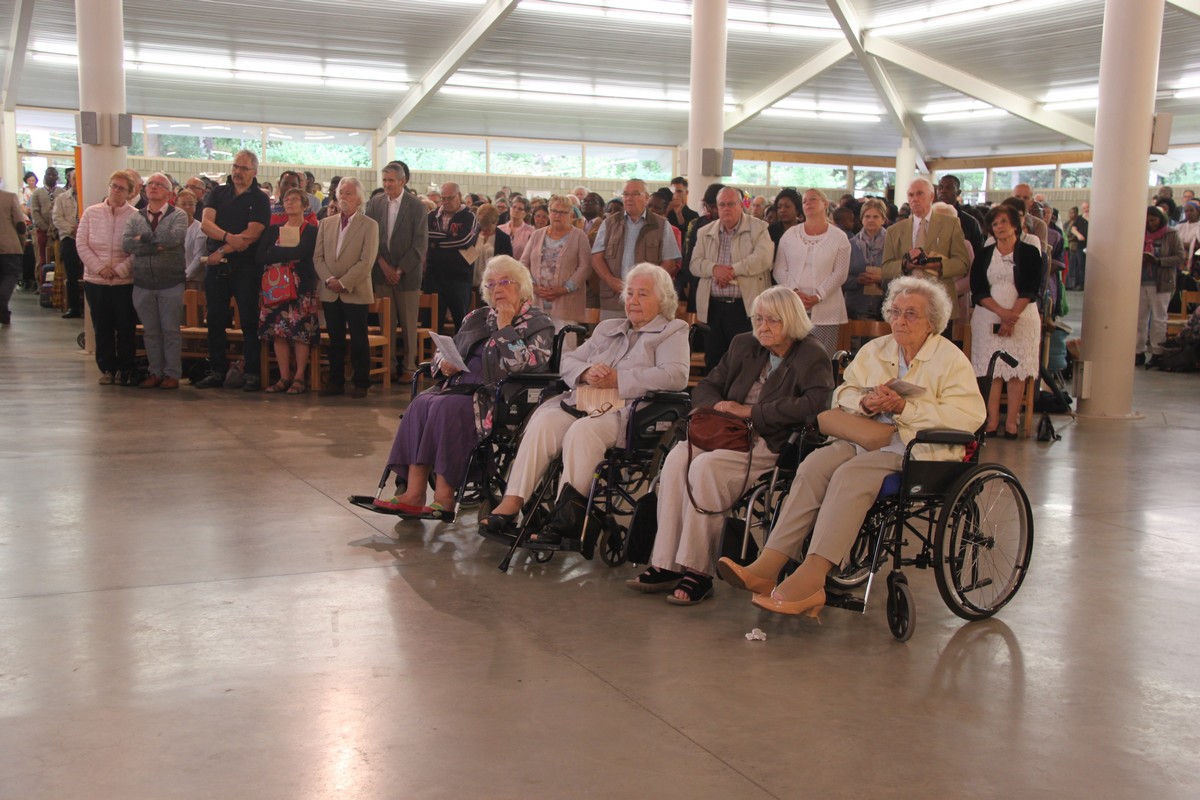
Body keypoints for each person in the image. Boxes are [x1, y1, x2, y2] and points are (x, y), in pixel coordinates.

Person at [717, 277, 985, 618]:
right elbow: (842, 392)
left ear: (932, 321)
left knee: (851, 475)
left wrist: (906, 408)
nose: (900, 320)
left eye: (911, 314)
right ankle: (769, 563)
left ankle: (813, 578)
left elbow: (968, 416)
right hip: (866, 435)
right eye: (895, 312)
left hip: (917, 448)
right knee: (814, 466)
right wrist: (866, 402)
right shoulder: (877, 349)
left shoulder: (950, 360)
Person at [627, 287, 834, 604]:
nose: (763, 327)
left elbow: (815, 406)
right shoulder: (744, 344)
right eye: (758, 319)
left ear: (792, 320)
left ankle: (698, 569)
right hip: (723, 430)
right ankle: (666, 563)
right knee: (677, 459)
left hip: (768, 440)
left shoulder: (811, 354)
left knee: (705, 468)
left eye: (772, 320)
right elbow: (707, 385)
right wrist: (719, 406)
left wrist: (752, 412)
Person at [480, 263, 689, 544]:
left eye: (643, 294)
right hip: (583, 402)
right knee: (544, 421)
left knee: (583, 431)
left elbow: (676, 376)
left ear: (663, 300)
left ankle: (567, 518)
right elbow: (568, 360)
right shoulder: (608, 328)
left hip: (627, 413)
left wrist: (619, 379)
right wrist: (586, 372)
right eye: (630, 293)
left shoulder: (672, 331)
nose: (633, 300)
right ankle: (512, 501)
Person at [374, 256, 554, 517]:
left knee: (445, 408)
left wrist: (505, 328)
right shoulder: (477, 317)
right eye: (491, 284)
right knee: (420, 404)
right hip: (457, 387)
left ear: (522, 286)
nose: (497, 289)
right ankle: (414, 492)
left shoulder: (539, 323)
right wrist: (444, 363)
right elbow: (447, 348)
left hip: (497, 396)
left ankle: (444, 497)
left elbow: (523, 366)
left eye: (505, 282)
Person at [195, 150, 270, 390]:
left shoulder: (260, 198)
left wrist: (222, 250)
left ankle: (251, 373)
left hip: (245, 268)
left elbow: (253, 233)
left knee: (249, 321)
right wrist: (228, 238)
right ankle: (217, 371)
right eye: (235, 166)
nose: (237, 172)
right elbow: (206, 224)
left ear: (254, 172)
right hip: (216, 268)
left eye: (244, 168)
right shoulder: (218, 192)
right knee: (215, 319)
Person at [970, 204, 1042, 437]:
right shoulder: (984, 254)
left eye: (1003, 222)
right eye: (995, 223)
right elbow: (978, 289)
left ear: (1014, 225)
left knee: (1015, 369)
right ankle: (991, 420)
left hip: (1022, 317)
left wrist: (1011, 318)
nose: (999, 226)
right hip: (989, 315)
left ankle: (1012, 421)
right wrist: (1002, 313)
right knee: (993, 370)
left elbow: (1031, 287)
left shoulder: (1030, 252)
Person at [691, 186, 774, 370]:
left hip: (745, 308)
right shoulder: (704, 232)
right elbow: (694, 264)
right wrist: (715, 269)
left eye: (731, 204)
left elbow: (763, 259)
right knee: (714, 362)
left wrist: (732, 271)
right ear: (716, 208)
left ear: (741, 205)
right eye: (722, 205)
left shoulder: (759, 228)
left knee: (746, 362)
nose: (726, 208)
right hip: (713, 308)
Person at [314, 177, 379, 398]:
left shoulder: (369, 225)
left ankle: (361, 382)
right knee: (335, 340)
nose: (343, 196)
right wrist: (329, 280)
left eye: (349, 193)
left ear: (359, 199)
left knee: (359, 339)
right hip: (330, 291)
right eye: (341, 192)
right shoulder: (326, 223)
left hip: (355, 291)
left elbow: (366, 261)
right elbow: (318, 257)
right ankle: (336, 382)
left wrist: (343, 282)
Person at [123, 172, 189, 390]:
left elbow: (174, 238)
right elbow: (127, 244)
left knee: (170, 330)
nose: (153, 187)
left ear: (169, 193)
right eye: (150, 183)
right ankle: (155, 372)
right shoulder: (135, 217)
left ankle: (172, 374)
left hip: (170, 282)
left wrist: (142, 238)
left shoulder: (178, 215)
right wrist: (154, 246)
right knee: (150, 332)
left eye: (159, 184)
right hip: (142, 282)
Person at [366, 161, 428, 379]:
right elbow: (370, 238)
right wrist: (384, 265)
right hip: (381, 272)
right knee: (386, 323)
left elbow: (420, 244)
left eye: (391, 180)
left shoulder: (416, 206)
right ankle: (389, 365)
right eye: (384, 180)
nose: (387, 184)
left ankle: (409, 366)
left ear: (403, 181)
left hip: (408, 275)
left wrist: (399, 270)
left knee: (409, 323)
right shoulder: (375, 203)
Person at [881, 178, 971, 327]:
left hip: (940, 302)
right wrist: (905, 265)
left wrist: (937, 265)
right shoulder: (894, 231)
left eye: (920, 194)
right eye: (911, 195)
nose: (915, 199)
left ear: (931, 196)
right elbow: (885, 268)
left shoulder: (951, 224)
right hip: (905, 303)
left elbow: (963, 264)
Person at [256, 187, 320, 394]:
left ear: (304, 205)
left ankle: (299, 377)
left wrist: (276, 252)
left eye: (295, 199)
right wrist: (287, 253)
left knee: (300, 334)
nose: (290, 202)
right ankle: (284, 377)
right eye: (287, 200)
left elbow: (303, 252)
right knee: (279, 333)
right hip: (276, 288)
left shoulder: (311, 230)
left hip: (301, 289)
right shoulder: (273, 230)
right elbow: (260, 256)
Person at [77, 171, 139, 385]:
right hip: (96, 281)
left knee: (125, 327)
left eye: (121, 188)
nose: (116, 191)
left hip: (124, 282)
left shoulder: (135, 216)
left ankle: (125, 369)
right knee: (102, 327)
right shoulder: (91, 213)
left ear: (130, 193)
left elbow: (138, 248)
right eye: (114, 186)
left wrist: (121, 269)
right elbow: (81, 244)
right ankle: (107, 369)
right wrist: (99, 268)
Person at [772, 188, 851, 354]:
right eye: (805, 201)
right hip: (793, 306)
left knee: (822, 355)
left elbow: (840, 272)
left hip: (826, 307)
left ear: (825, 204)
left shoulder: (839, 237)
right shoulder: (790, 234)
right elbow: (779, 269)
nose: (808, 203)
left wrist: (818, 296)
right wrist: (794, 292)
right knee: (791, 355)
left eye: (813, 199)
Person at [591, 179, 682, 320]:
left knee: (644, 334)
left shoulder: (662, 225)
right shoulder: (609, 223)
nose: (629, 198)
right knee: (611, 334)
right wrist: (611, 281)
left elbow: (669, 262)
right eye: (626, 194)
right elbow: (596, 257)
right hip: (613, 298)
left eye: (635, 194)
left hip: (647, 301)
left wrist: (648, 285)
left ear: (646, 197)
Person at [520, 194, 592, 344]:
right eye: (554, 211)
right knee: (536, 345)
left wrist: (564, 289)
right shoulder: (536, 235)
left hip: (566, 302)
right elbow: (523, 264)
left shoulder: (579, 236)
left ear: (571, 215)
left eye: (562, 212)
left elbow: (585, 267)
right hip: (537, 300)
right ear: (549, 212)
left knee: (565, 347)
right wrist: (533, 287)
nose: (557, 215)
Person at [425, 181, 479, 331]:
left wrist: (437, 244)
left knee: (461, 323)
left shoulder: (469, 216)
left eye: (450, 198)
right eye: (443, 198)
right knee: (431, 323)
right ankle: (432, 347)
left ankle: (461, 348)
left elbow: (465, 241)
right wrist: (450, 236)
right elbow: (425, 235)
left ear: (459, 196)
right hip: (434, 277)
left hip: (459, 278)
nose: (446, 202)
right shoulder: (432, 216)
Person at [1139, 206, 1185, 368]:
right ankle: (1138, 351)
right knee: (1139, 319)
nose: (1150, 223)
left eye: (1153, 220)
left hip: (1161, 282)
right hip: (1140, 281)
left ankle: (1157, 353)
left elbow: (1180, 257)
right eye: (1147, 221)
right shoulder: (1139, 233)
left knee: (1158, 319)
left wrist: (1159, 261)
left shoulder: (1170, 234)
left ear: (1160, 219)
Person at [843, 197, 888, 320]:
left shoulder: (892, 244)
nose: (871, 220)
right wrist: (857, 280)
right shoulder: (850, 245)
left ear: (883, 219)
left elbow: (901, 276)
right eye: (867, 216)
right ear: (861, 219)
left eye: (876, 217)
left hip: (885, 309)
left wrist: (881, 279)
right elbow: (840, 277)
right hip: (854, 309)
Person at [52, 168, 82, 318]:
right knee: (71, 275)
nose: (76, 182)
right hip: (69, 239)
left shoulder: (88, 195)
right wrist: (72, 229)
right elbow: (57, 218)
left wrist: (82, 229)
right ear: (70, 180)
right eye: (74, 178)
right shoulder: (62, 198)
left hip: (86, 238)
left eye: (79, 178)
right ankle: (73, 307)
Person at [468, 203, 513, 299]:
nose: (484, 228)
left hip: (491, 286)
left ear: (496, 221)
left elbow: (508, 264)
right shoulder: (472, 233)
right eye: (482, 224)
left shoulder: (503, 239)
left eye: (487, 225)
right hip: (471, 284)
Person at [0, 186, 26, 326]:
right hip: (9, 246)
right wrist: (21, 243)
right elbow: (20, 225)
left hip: (9, 247)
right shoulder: (9, 197)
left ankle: (4, 314)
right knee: (10, 275)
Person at [175, 190, 207, 290]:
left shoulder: (200, 228)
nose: (187, 207)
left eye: (191, 204)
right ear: (176, 205)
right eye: (184, 204)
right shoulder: (170, 226)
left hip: (193, 281)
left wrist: (183, 277)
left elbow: (199, 258)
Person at [30, 167, 61, 269]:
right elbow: (35, 212)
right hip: (42, 231)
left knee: (60, 259)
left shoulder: (63, 192)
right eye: (49, 175)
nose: (51, 177)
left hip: (59, 231)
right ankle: (40, 279)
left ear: (57, 177)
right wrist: (46, 228)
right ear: (44, 176)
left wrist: (56, 228)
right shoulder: (37, 193)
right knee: (41, 260)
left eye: (53, 175)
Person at [499, 195, 534, 259]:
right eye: (514, 207)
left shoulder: (531, 232)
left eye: (520, 209)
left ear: (526, 213)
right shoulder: (500, 229)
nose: (516, 210)